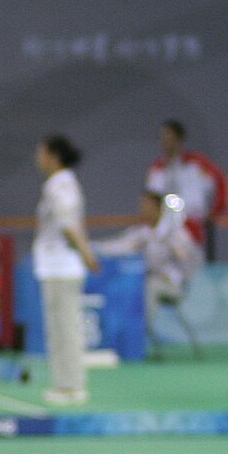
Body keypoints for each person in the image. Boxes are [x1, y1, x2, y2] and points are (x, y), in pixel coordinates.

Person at [33, 135, 98, 407]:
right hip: (54, 266)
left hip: (62, 267)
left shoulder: (61, 186)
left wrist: (86, 254)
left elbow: (69, 225)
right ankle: (64, 384)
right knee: (57, 329)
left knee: (66, 329)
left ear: (54, 156)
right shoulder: (56, 184)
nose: (38, 158)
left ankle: (73, 386)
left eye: (42, 152)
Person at [95, 191, 202, 347]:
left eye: (148, 205)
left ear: (159, 208)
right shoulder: (143, 233)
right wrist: (90, 247)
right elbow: (119, 246)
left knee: (150, 287)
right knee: (125, 286)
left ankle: (140, 336)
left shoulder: (174, 232)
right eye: (143, 205)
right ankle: (121, 334)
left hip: (172, 284)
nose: (144, 209)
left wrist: (179, 276)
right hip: (146, 279)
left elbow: (193, 259)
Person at [145, 120, 225, 253]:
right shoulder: (156, 170)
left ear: (179, 139)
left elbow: (221, 183)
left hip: (192, 228)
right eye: (163, 138)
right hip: (162, 230)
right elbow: (149, 202)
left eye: (170, 138)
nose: (166, 142)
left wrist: (215, 211)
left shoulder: (197, 164)